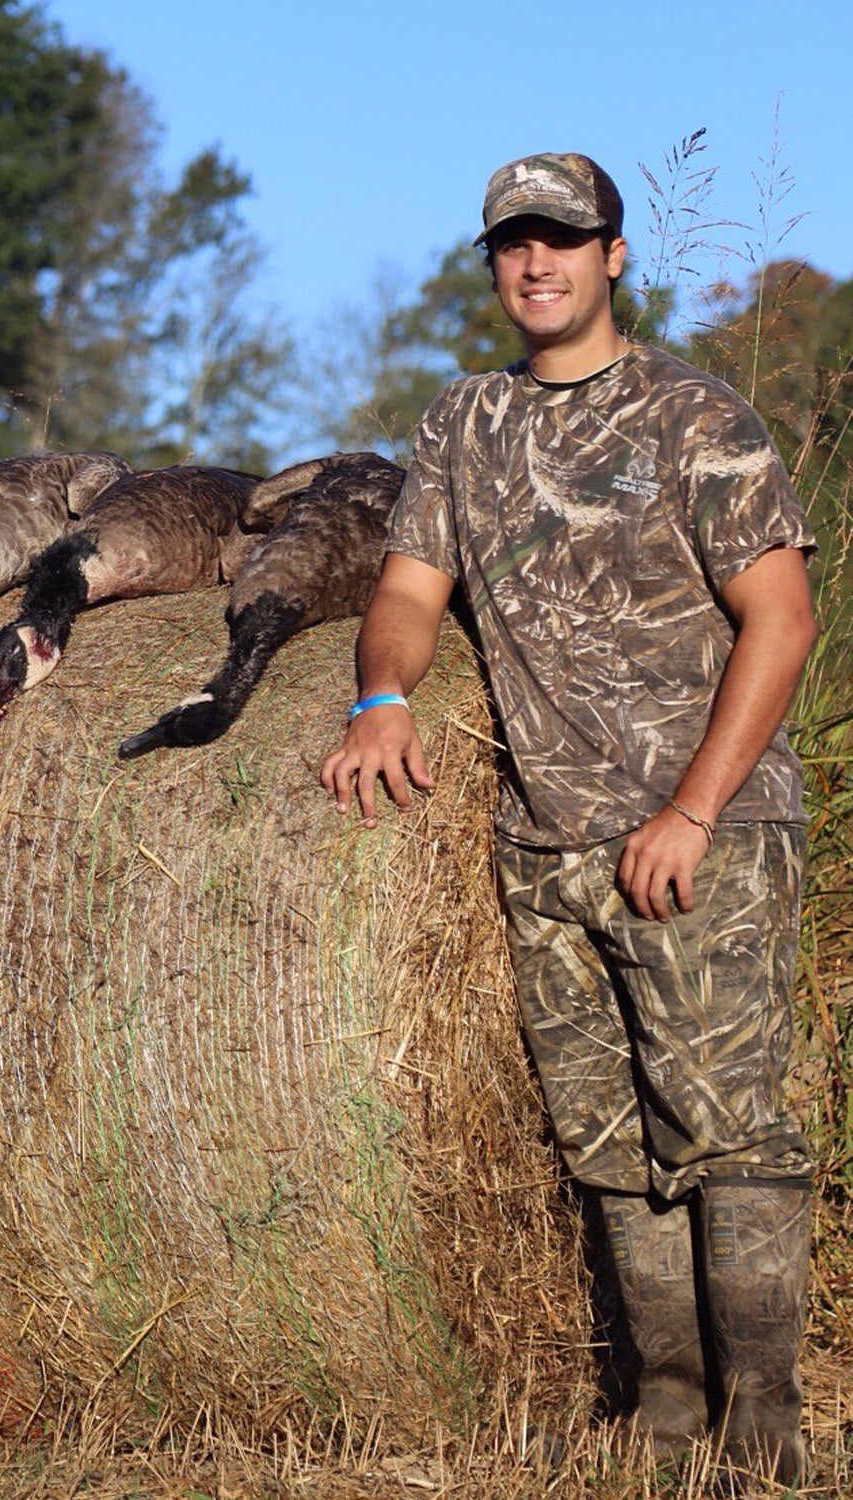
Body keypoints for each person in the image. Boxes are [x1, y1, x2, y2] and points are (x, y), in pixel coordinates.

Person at [320, 152, 818, 1482]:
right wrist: (380, 694)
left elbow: (783, 621)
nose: (535, 262)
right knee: (606, 1137)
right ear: (491, 264)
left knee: (726, 1129)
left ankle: (764, 1426)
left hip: (699, 837)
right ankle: (661, 1411)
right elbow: (412, 595)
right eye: (511, 242)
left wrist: (694, 813)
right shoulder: (460, 425)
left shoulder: (692, 417)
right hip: (543, 843)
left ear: (611, 255)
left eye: (563, 237)